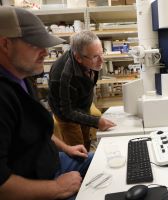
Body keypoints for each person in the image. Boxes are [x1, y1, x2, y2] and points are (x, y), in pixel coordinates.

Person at [0, 6, 93, 200]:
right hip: (36, 187)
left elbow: (37, 129)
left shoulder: (22, 77)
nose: (45, 52)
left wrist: (66, 148)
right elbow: (2, 186)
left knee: (111, 162)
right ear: (5, 44)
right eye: (35, 44)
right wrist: (57, 188)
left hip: (53, 164)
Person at [48, 30, 116, 151]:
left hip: (82, 105)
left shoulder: (90, 59)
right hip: (67, 114)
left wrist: (90, 120)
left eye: (102, 53)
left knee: (86, 141)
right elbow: (67, 111)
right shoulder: (62, 76)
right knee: (78, 150)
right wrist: (96, 122)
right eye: (95, 56)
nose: (102, 60)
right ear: (78, 57)